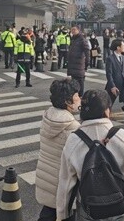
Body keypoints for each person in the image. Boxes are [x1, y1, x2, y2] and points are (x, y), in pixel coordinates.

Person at [56, 89, 124, 221]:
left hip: (88, 208)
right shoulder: (120, 136)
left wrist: (63, 215)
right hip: (117, 205)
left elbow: (65, 182)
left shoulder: (74, 139)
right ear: (107, 110)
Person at [35, 79, 81, 221]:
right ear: (68, 101)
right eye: (77, 96)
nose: (80, 99)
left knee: (49, 212)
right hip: (63, 183)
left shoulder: (48, 117)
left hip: (46, 176)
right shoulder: (72, 127)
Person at [105, 39, 124, 131]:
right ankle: (105, 122)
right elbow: (109, 74)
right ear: (118, 47)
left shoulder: (123, 57)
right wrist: (112, 86)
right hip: (114, 85)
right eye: (123, 46)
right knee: (108, 105)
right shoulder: (110, 59)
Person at [67, 26, 90, 96]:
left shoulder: (82, 39)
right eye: (72, 30)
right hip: (73, 64)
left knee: (80, 81)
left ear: (78, 30)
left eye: (74, 30)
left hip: (79, 65)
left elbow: (87, 51)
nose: (73, 31)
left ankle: (81, 96)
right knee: (74, 82)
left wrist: (87, 62)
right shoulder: (73, 39)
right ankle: (76, 96)